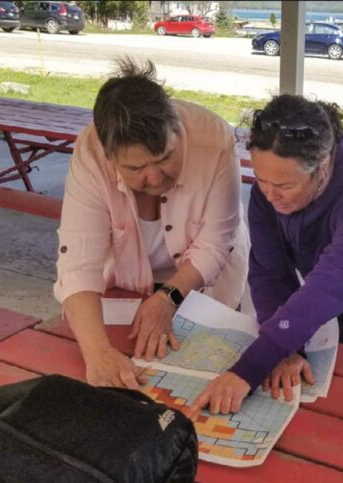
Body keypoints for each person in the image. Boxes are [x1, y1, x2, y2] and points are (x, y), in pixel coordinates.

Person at [185, 94, 343, 417]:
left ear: (322, 167)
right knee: (330, 392)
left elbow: (329, 286)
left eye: (283, 185)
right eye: (262, 180)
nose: (270, 195)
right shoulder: (267, 192)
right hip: (336, 301)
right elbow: (269, 271)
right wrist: (286, 348)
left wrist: (247, 370)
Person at [54, 57, 249, 390]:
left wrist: (167, 298)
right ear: (109, 156)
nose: (155, 177)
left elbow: (214, 243)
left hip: (205, 282)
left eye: (165, 158)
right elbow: (78, 262)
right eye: (135, 169)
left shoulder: (215, 138)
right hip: (124, 283)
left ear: (177, 131)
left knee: (201, 380)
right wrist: (98, 352)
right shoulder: (90, 153)